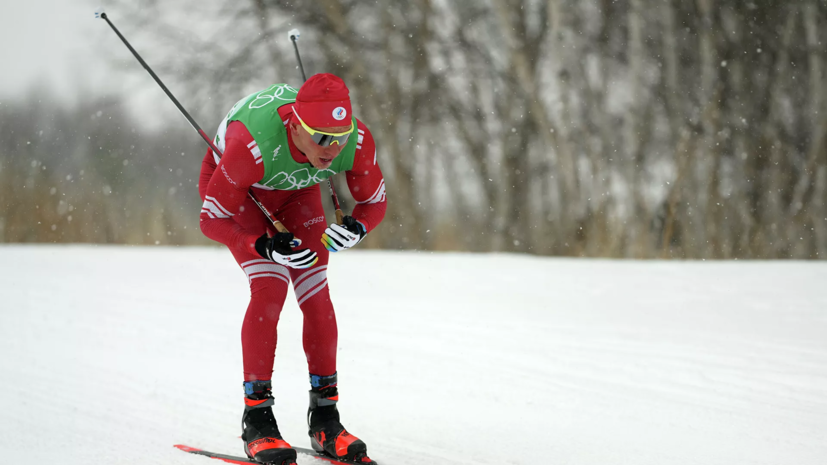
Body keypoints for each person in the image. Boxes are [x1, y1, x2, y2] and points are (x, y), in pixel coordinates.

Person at [198, 73, 386, 465]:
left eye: (339, 136)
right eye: (321, 137)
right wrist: (261, 245)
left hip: (298, 191)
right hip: (245, 192)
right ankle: (258, 419)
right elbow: (211, 218)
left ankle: (325, 419)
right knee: (270, 289)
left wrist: (358, 226)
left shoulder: (354, 140)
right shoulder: (250, 146)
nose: (332, 148)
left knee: (316, 294)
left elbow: (374, 203)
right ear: (296, 126)